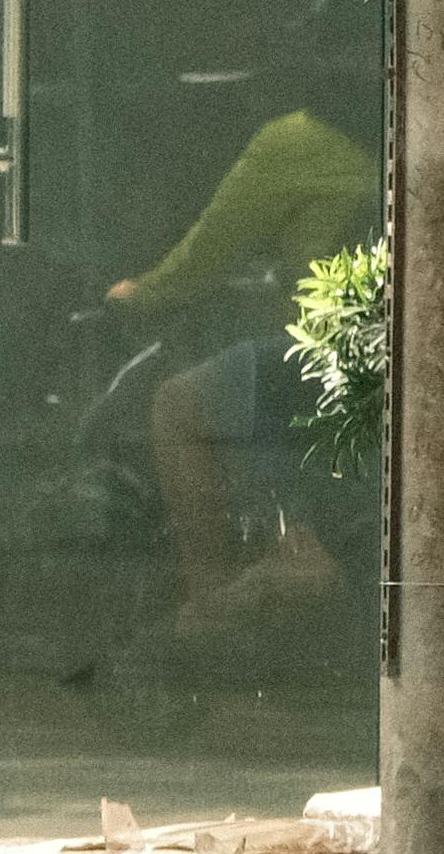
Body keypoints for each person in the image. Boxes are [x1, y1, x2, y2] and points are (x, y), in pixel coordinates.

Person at [114, 101, 371, 633]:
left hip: (344, 361)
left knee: (179, 406)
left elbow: (210, 250)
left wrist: (137, 295)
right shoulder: (405, 127)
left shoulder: (298, 139)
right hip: (387, 354)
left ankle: (212, 603)